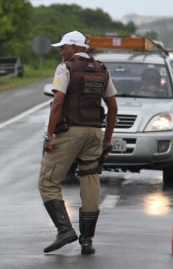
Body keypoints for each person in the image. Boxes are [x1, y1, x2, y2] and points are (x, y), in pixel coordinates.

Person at [39, 30, 118, 255]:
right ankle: (87, 240)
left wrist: (49, 136)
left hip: (69, 132)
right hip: (94, 133)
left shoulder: (66, 68)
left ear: (74, 47)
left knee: (47, 181)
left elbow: (57, 103)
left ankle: (64, 229)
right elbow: (112, 106)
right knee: (90, 181)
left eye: (63, 47)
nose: (61, 52)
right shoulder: (102, 70)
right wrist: (107, 140)